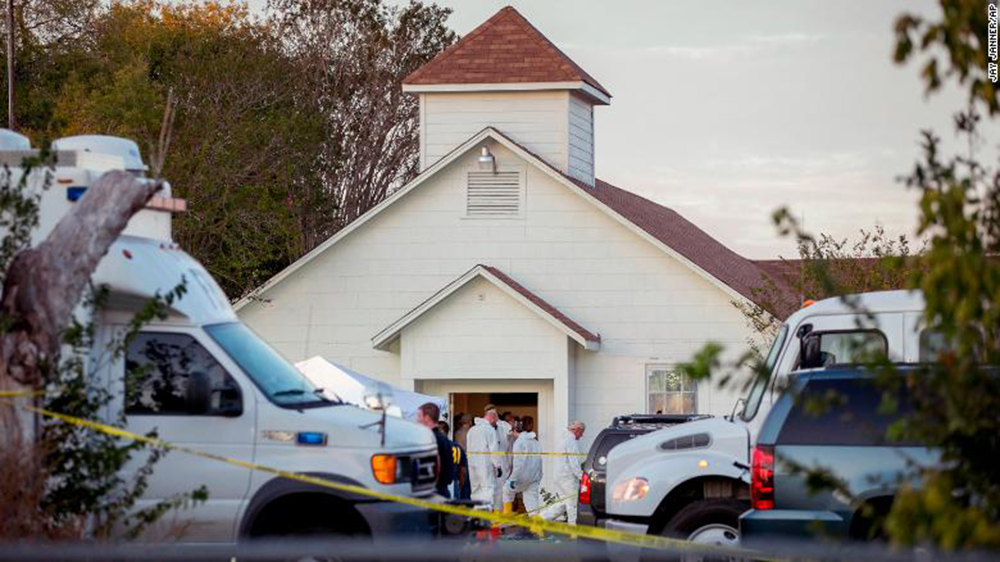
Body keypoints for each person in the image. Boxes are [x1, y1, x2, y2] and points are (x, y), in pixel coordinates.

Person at [543, 420, 586, 524]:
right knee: (572, 505)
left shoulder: (563, 439)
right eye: (582, 432)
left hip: (559, 477)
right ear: (577, 430)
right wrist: (582, 477)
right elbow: (574, 463)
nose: (582, 435)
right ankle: (573, 531)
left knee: (562, 504)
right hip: (568, 479)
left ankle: (540, 520)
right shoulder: (571, 441)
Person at [502, 415, 542, 514]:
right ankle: (536, 527)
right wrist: (538, 477)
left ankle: (506, 516)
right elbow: (539, 461)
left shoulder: (519, 442)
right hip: (534, 478)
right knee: (532, 504)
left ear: (517, 430)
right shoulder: (535, 442)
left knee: (506, 491)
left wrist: (513, 478)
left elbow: (518, 464)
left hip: (521, 478)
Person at [466, 408, 502, 509]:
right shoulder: (489, 430)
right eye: (495, 421)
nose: (495, 424)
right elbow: (494, 449)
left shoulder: (472, 430)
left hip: (472, 464)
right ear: (492, 418)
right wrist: (498, 465)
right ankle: (485, 516)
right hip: (485, 465)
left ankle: (477, 515)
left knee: (475, 489)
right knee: (487, 489)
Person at [416, 402, 454, 498]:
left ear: (427, 418)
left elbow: (436, 466)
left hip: (434, 492)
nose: (417, 419)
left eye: (419, 416)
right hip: (442, 490)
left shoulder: (431, 439)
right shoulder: (443, 438)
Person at [489, 405, 514, 509]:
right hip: (488, 464)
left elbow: (509, 446)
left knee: (503, 491)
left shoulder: (504, 427)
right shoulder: (483, 429)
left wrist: (510, 465)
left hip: (503, 464)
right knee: (490, 491)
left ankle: (501, 517)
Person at [440, 420, 470, 500]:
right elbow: (463, 472)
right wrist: (460, 486)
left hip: (439, 485)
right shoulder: (457, 447)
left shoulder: (434, 446)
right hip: (454, 482)